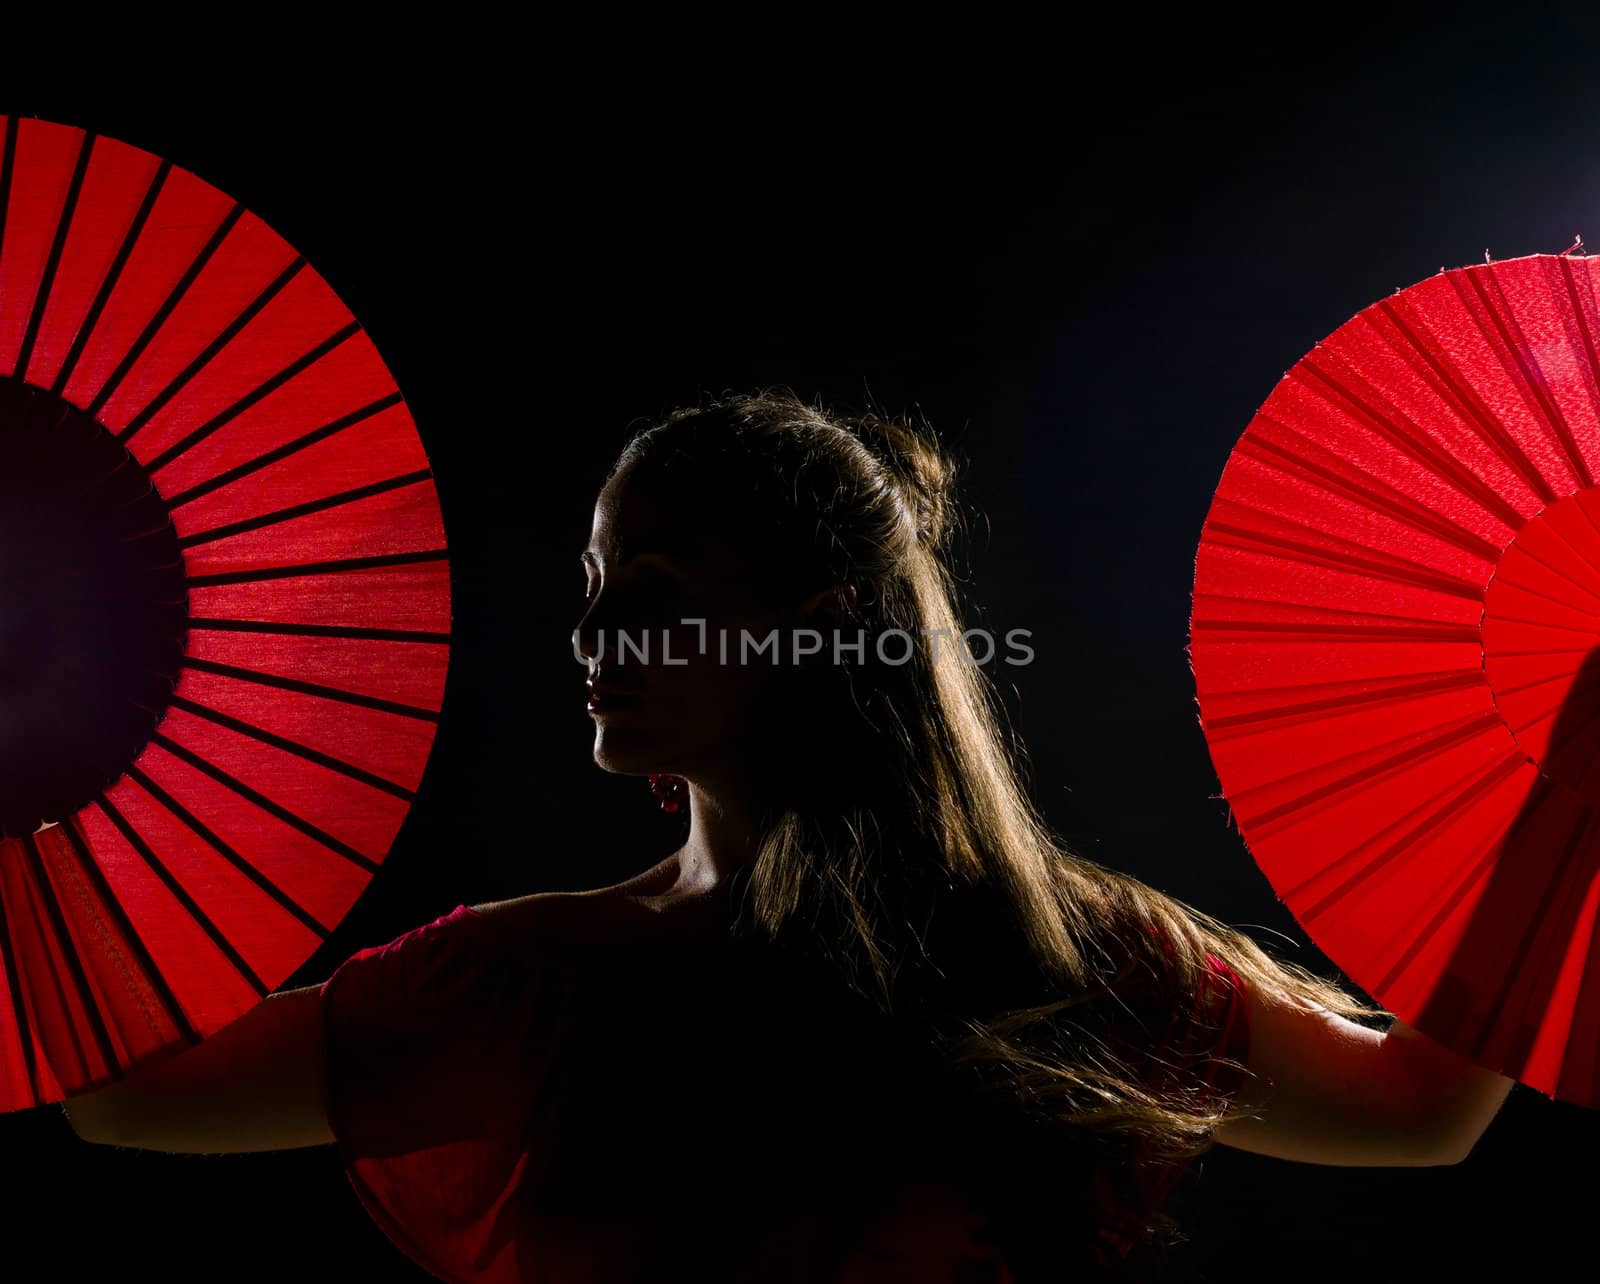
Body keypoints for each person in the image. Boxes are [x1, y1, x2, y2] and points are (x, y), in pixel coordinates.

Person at [60, 388, 1516, 1282]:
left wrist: (1566, 788)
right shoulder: (527, 979)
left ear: (817, 633)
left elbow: (1420, 1117)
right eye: (591, 576)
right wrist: (42, 727)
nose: (590, 623)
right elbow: (124, 1096)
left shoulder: (1059, 957)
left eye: (654, 577)